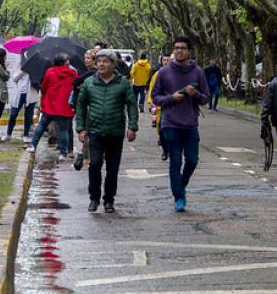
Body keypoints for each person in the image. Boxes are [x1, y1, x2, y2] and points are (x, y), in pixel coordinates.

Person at [75, 49, 139, 213]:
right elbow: (81, 105)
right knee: (94, 164)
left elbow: (132, 104)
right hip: (95, 131)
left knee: (113, 168)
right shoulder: (89, 83)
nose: (101, 64)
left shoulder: (123, 83)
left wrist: (132, 126)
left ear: (113, 64)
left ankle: (109, 200)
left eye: (105, 61)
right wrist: (81, 128)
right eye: (99, 61)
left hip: (115, 132)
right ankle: (94, 198)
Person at [151, 37, 210, 213]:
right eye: (176, 48)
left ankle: (180, 185)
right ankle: (179, 198)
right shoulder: (164, 72)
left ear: (189, 51)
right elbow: (155, 97)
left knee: (192, 160)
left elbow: (206, 98)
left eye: (183, 48)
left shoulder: (198, 72)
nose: (179, 51)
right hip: (170, 123)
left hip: (190, 124)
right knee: (175, 162)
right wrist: (172, 98)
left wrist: (195, 94)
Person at [27, 54, 78, 160]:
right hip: (64, 105)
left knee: (41, 125)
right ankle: (63, 154)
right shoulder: (72, 73)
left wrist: (43, 100)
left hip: (50, 104)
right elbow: (76, 86)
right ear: (64, 62)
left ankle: (33, 145)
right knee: (63, 130)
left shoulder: (50, 71)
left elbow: (44, 87)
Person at [4, 69, 38, 142]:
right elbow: (14, 78)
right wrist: (22, 72)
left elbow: (38, 81)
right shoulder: (20, 68)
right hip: (19, 94)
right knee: (13, 114)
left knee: (28, 116)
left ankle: (26, 135)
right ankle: (8, 134)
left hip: (31, 94)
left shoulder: (36, 69)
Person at [147, 54, 171, 160]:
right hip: (161, 107)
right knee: (161, 129)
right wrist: (152, 103)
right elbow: (152, 89)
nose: (166, 62)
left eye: (168, 60)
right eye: (164, 60)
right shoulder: (158, 73)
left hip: (175, 107)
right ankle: (165, 149)